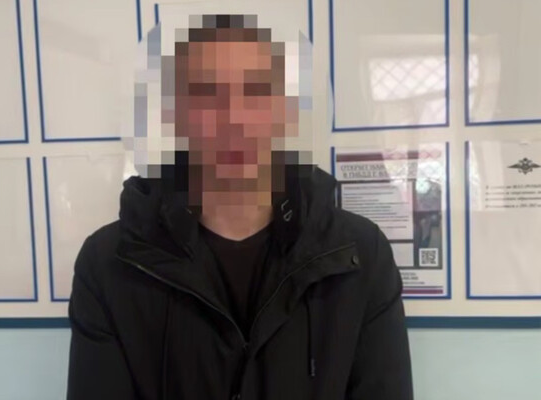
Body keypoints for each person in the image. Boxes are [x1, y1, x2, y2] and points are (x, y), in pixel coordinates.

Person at [67, 14, 413, 400]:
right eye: (206, 93)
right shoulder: (109, 264)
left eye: (256, 91)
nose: (233, 118)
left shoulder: (360, 255)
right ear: (175, 116)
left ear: (286, 113)